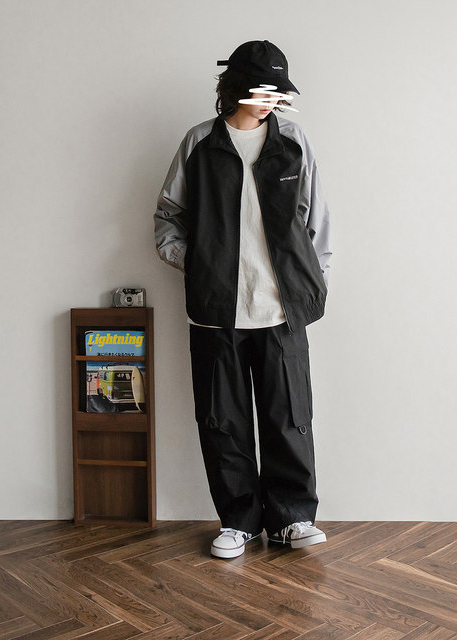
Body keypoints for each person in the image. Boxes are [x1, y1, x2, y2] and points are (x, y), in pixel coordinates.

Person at [154, 40, 332, 559]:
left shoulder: (293, 141)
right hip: (216, 311)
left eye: (278, 92)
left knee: (289, 417)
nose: (271, 100)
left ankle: (292, 518)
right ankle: (239, 522)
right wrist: (197, 264)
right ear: (235, 88)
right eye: (263, 90)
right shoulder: (200, 142)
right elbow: (168, 217)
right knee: (222, 421)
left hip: (281, 309)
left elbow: (316, 218)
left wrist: (312, 281)